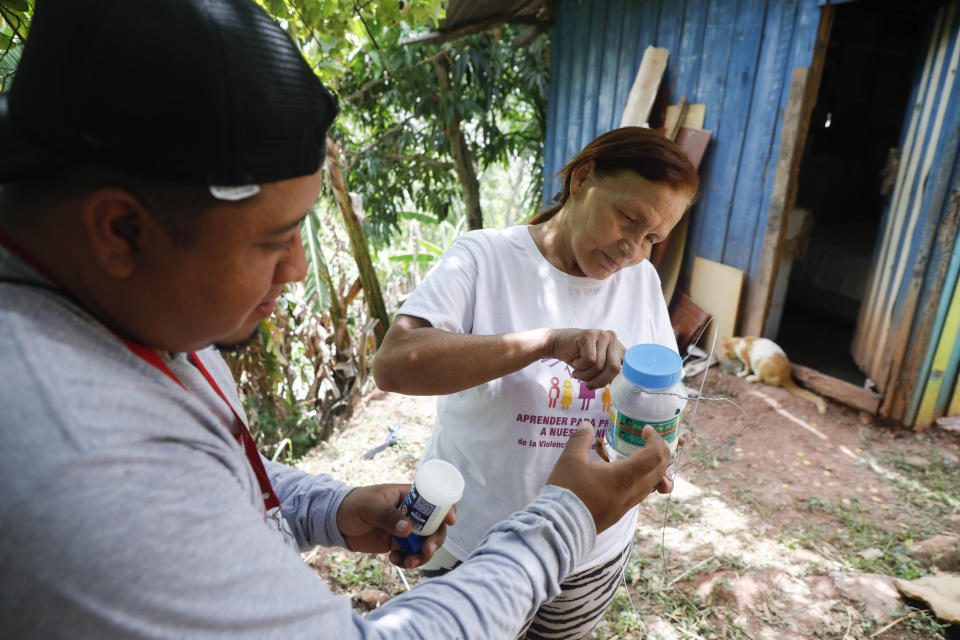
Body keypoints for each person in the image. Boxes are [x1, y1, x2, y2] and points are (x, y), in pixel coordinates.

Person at [0, 1, 675, 638]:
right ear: (120, 230)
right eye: (273, 239)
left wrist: (319, 508)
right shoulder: (78, 465)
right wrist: (568, 516)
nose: (297, 268)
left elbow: (224, 468)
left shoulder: (113, 308)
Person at [373, 126, 699, 638]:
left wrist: (654, 447)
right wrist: (547, 342)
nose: (632, 250)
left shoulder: (641, 281)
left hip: (587, 549)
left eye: (653, 238)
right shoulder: (484, 259)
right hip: (471, 545)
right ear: (583, 178)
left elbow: (654, 394)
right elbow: (393, 364)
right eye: (627, 219)